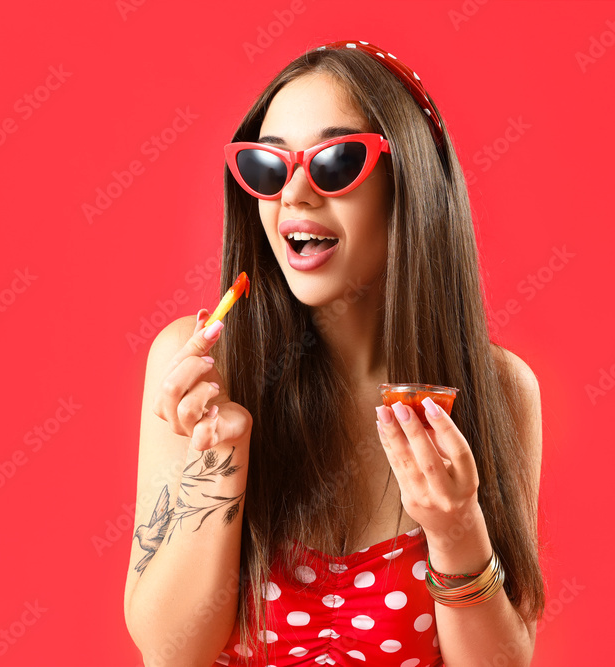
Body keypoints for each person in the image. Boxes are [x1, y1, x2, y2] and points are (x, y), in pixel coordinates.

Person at [124, 39, 546, 667]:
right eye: (269, 167)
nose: (293, 193)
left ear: (409, 183)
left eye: (335, 161)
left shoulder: (498, 389)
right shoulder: (201, 372)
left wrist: (456, 527)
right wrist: (219, 458)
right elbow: (169, 652)